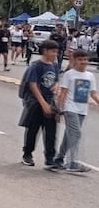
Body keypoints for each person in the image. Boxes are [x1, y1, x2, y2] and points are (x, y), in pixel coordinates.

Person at [54, 49, 99, 172]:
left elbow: (93, 93)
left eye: (85, 59)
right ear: (75, 60)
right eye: (80, 59)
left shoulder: (90, 76)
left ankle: (59, 158)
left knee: (69, 135)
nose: (83, 62)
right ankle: (72, 162)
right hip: (70, 108)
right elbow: (63, 93)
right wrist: (59, 109)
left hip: (82, 110)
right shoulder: (69, 74)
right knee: (76, 133)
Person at [18, 39, 61, 168]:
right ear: (45, 51)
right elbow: (33, 85)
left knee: (51, 131)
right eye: (53, 51)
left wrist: (56, 87)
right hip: (36, 102)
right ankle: (27, 154)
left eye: (56, 51)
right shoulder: (36, 66)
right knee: (33, 129)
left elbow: (55, 80)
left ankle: (50, 158)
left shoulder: (54, 65)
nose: (55, 54)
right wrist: (43, 104)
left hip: (50, 100)